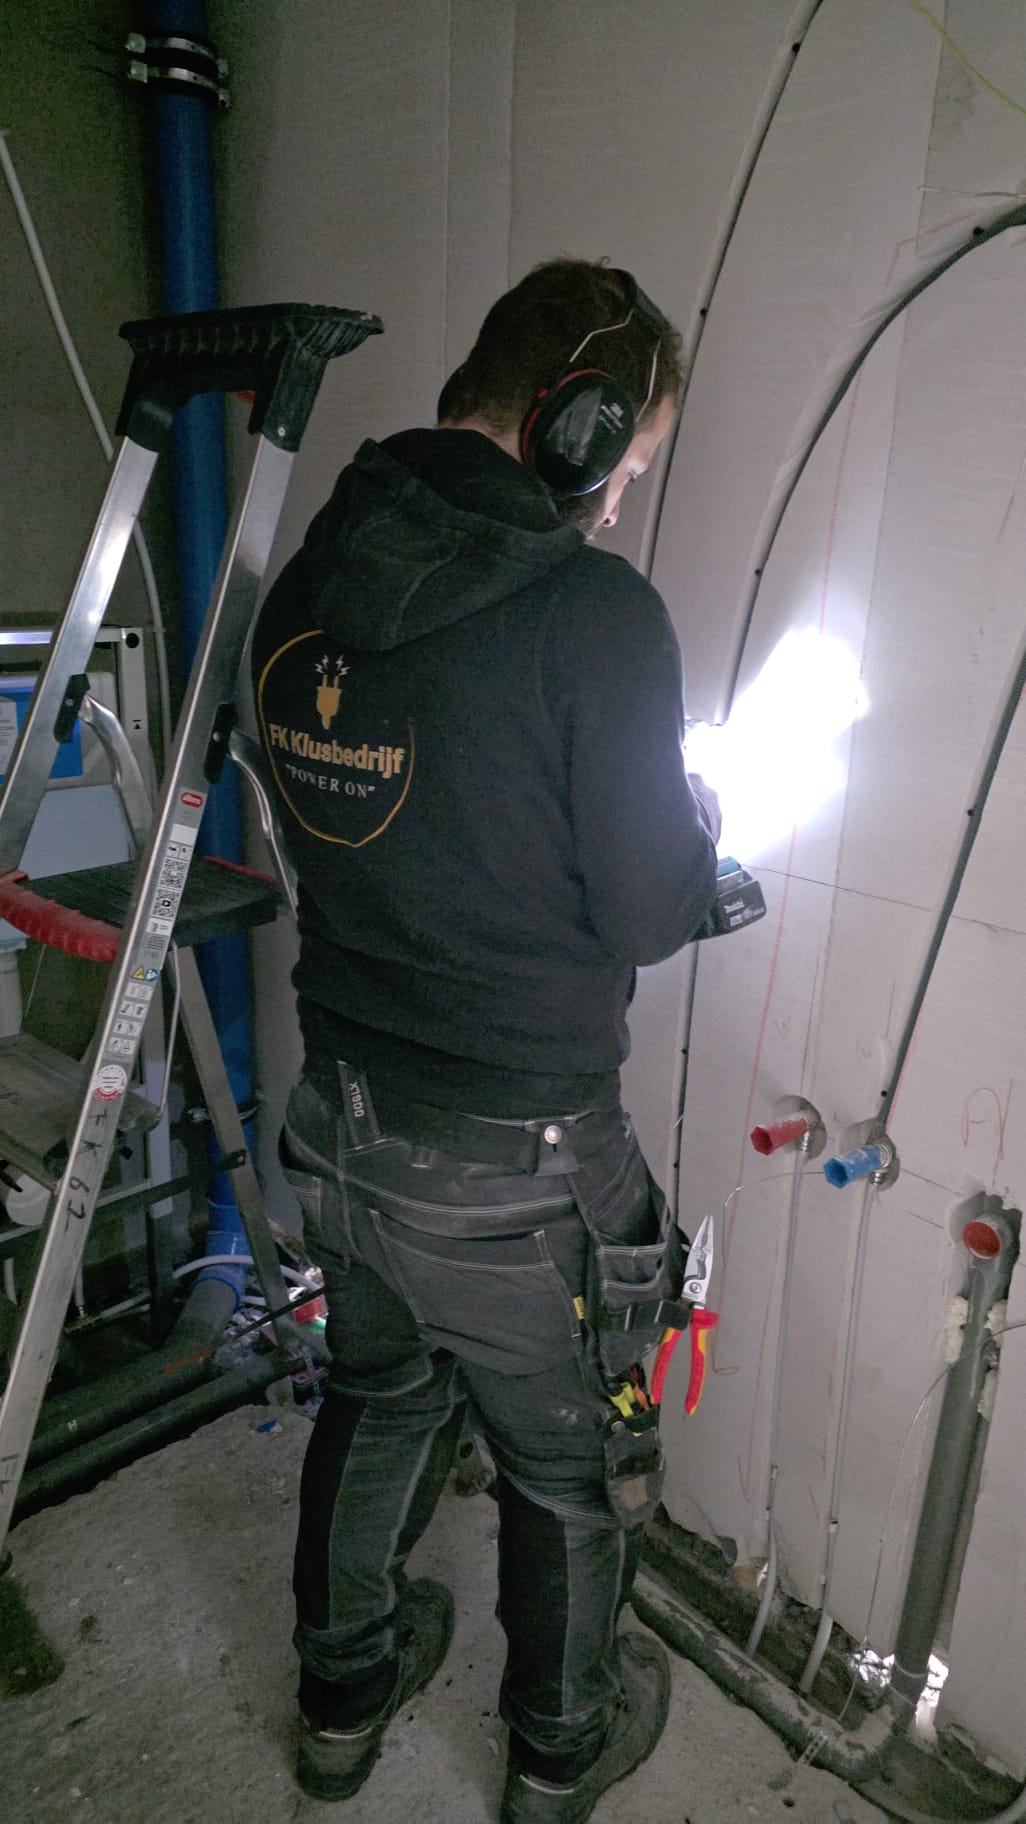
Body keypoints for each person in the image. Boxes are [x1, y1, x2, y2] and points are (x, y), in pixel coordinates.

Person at [251, 257, 721, 1823]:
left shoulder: (316, 562)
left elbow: (389, 806)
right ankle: (554, 1755)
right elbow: (650, 907)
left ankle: (338, 1707)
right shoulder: (594, 617)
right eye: (629, 462)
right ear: (575, 426)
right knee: (563, 1473)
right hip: (514, 1168)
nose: (619, 499)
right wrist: (691, 840)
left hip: (339, 1121)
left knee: (376, 1403)